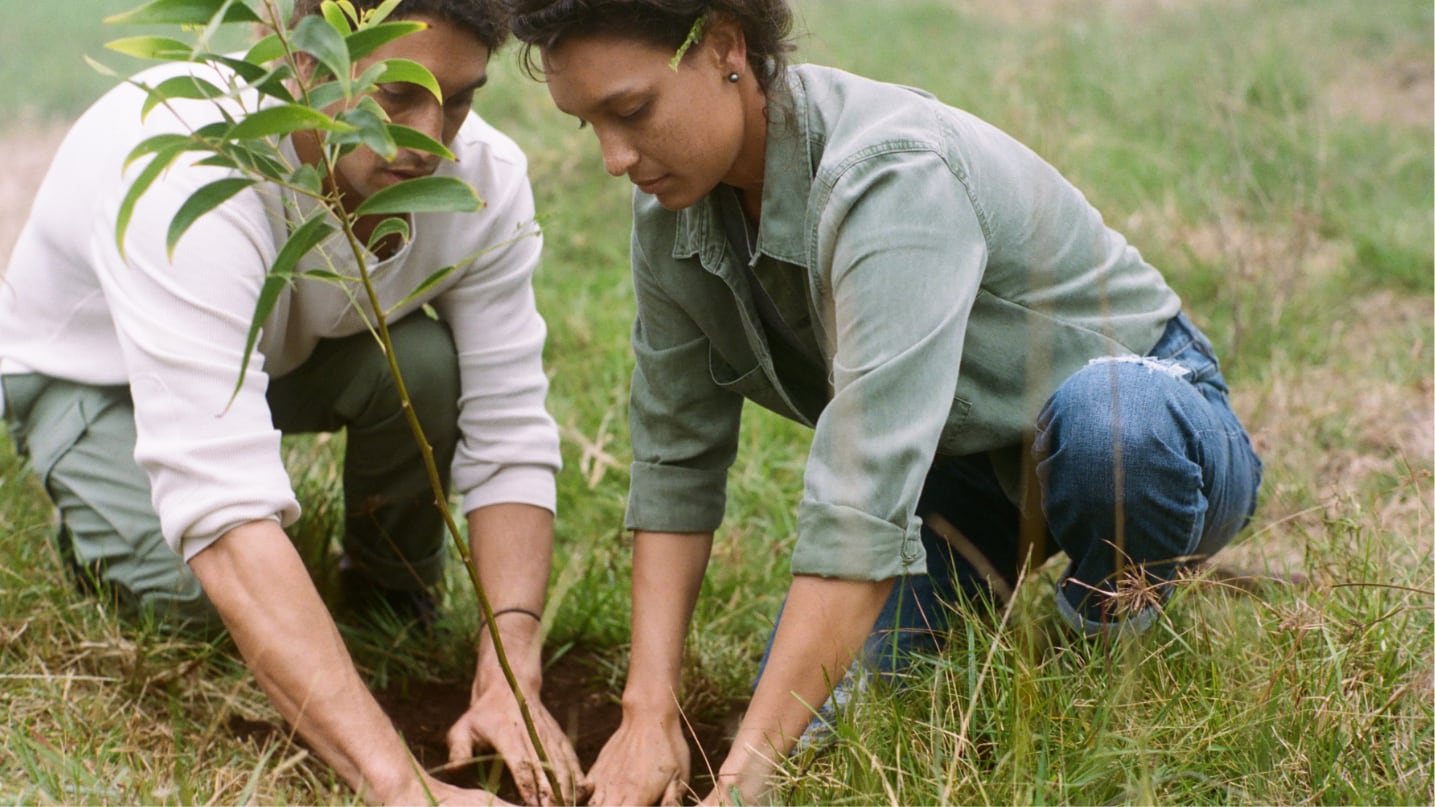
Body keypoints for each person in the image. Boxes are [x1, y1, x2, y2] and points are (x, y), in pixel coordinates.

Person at [505, 0, 1265, 803]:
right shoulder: (672, 205)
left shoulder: (891, 173)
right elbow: (674, 456)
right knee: (828, 728)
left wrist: (736, 788)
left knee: (1113, 431)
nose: (615, 157)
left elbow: (859, 499)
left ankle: (1097, 644)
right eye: (586, 124)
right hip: (955, 472)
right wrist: (647, 710)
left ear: (724, 45)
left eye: (631, 112)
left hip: (1147, 419)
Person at [0, 1, 584, 803]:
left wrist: (509, 680)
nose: (430, 139)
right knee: (188, 599)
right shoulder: (193, 169)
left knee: (422, 361)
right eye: (396, 97)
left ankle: (389, 596)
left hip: (272, 354)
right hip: (92, 373)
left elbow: (510, 426)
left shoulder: (483, 179)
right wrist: (401, 784)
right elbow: (224, 506)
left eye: (459, 98)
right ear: (303, 64)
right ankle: (97, 507)